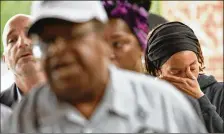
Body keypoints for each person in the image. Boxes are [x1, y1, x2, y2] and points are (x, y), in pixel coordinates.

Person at [2, 1, 207, 133]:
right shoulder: (26, 118)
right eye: (47, 41)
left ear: (104, 41)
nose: (57, 51)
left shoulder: (163, 105)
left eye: (72, 35)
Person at [145, 21, 224, 133]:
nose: (189, 76)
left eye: (192, 68)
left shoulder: (219, 93)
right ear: (158, 71)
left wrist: (200, 99)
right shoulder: (149, 98)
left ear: (199, 59)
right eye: (177, 72)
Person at [0, 14, 46, 108]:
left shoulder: (77, 93)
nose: (22, 43)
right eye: (12, 40)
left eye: (29, 34)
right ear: (5, 60)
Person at [103, 0, 149, 73]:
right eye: (100, 46)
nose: (109, 55)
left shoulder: (161, 84)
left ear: (141, 44)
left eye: (117, 44)